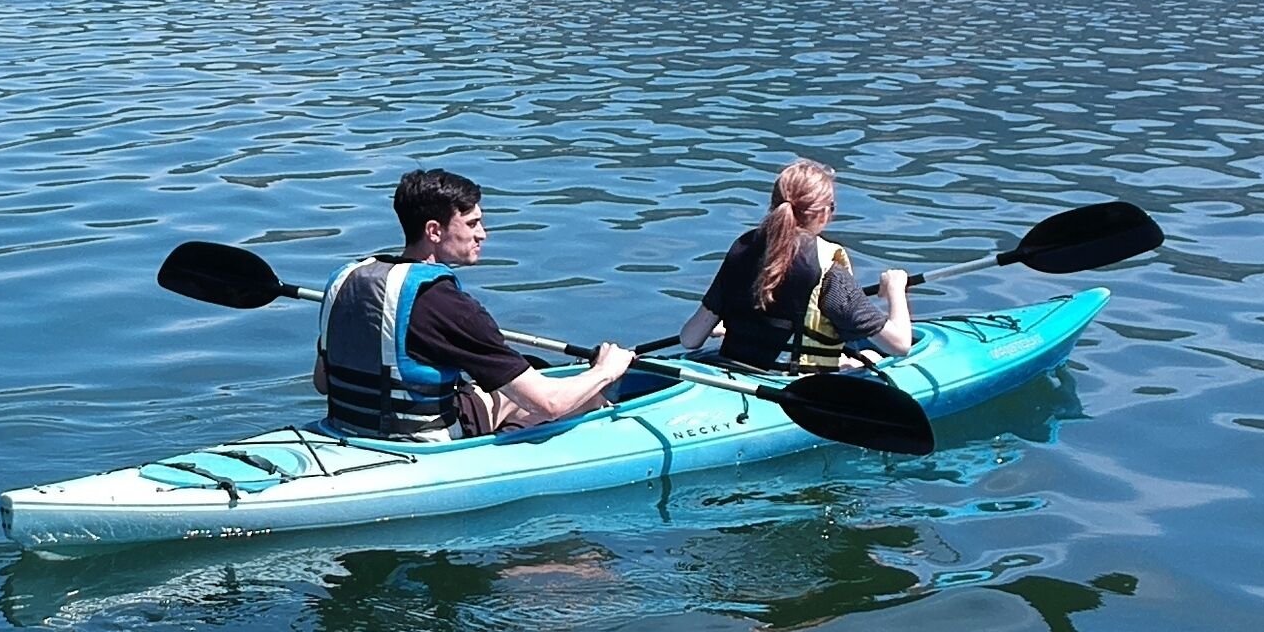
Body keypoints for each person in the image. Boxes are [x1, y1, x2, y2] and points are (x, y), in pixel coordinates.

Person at [316, 168, 636, 440]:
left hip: (347, 428)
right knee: (583, 398)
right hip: (421, 440)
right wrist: (606, 371)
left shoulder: (346, 281)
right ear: (434, 231)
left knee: (522, 375)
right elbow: (549, 403)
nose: (483, 234)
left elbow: (322, 382)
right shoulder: (450, 307)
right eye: (472, 224)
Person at [675, 158, 913, 373]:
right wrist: (895, 290)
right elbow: (900, 345)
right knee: (870, 355)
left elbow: (690, 339)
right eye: (832, 208)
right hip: (791, 384)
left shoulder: (743, 249)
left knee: (851, 358)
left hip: (735, 371)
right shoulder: (828, 270)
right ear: (822, 213)